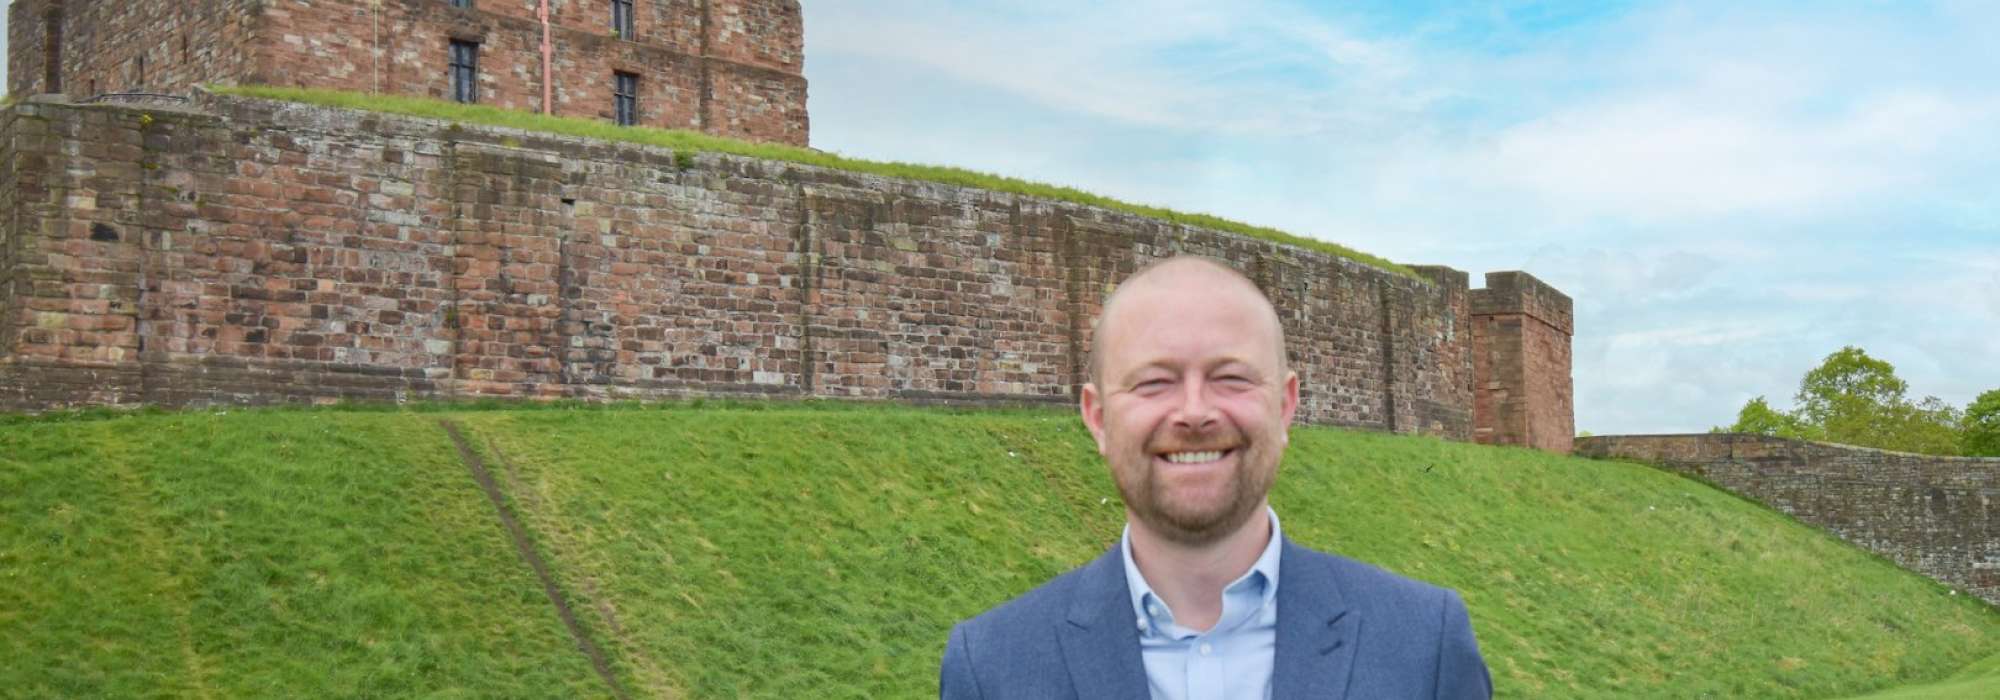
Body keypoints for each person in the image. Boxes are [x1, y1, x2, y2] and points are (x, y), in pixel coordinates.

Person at [939, 256, 1492, 699]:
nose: (1195, 412)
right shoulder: (991, 666)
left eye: (1230, 377)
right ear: (1098, 417)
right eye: (1155, 382)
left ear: (1284, 405)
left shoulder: (1425, 644)